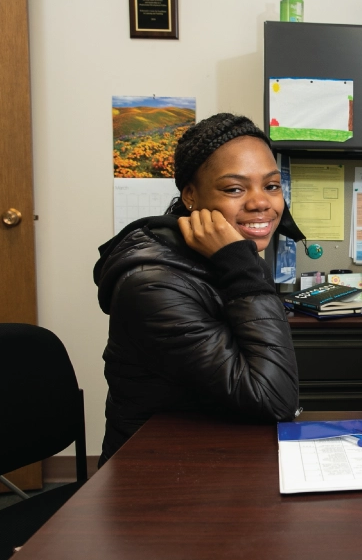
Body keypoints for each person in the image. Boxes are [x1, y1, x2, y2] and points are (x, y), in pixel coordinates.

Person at [94, 113, 302, 465]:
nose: (261, 203)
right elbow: (274, 399)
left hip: (220, 460)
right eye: (235, 189)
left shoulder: (221, 255)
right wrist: (243, 267)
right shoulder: (153, 285)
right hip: (156, 478)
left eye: (271, 186)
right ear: (190, 195)